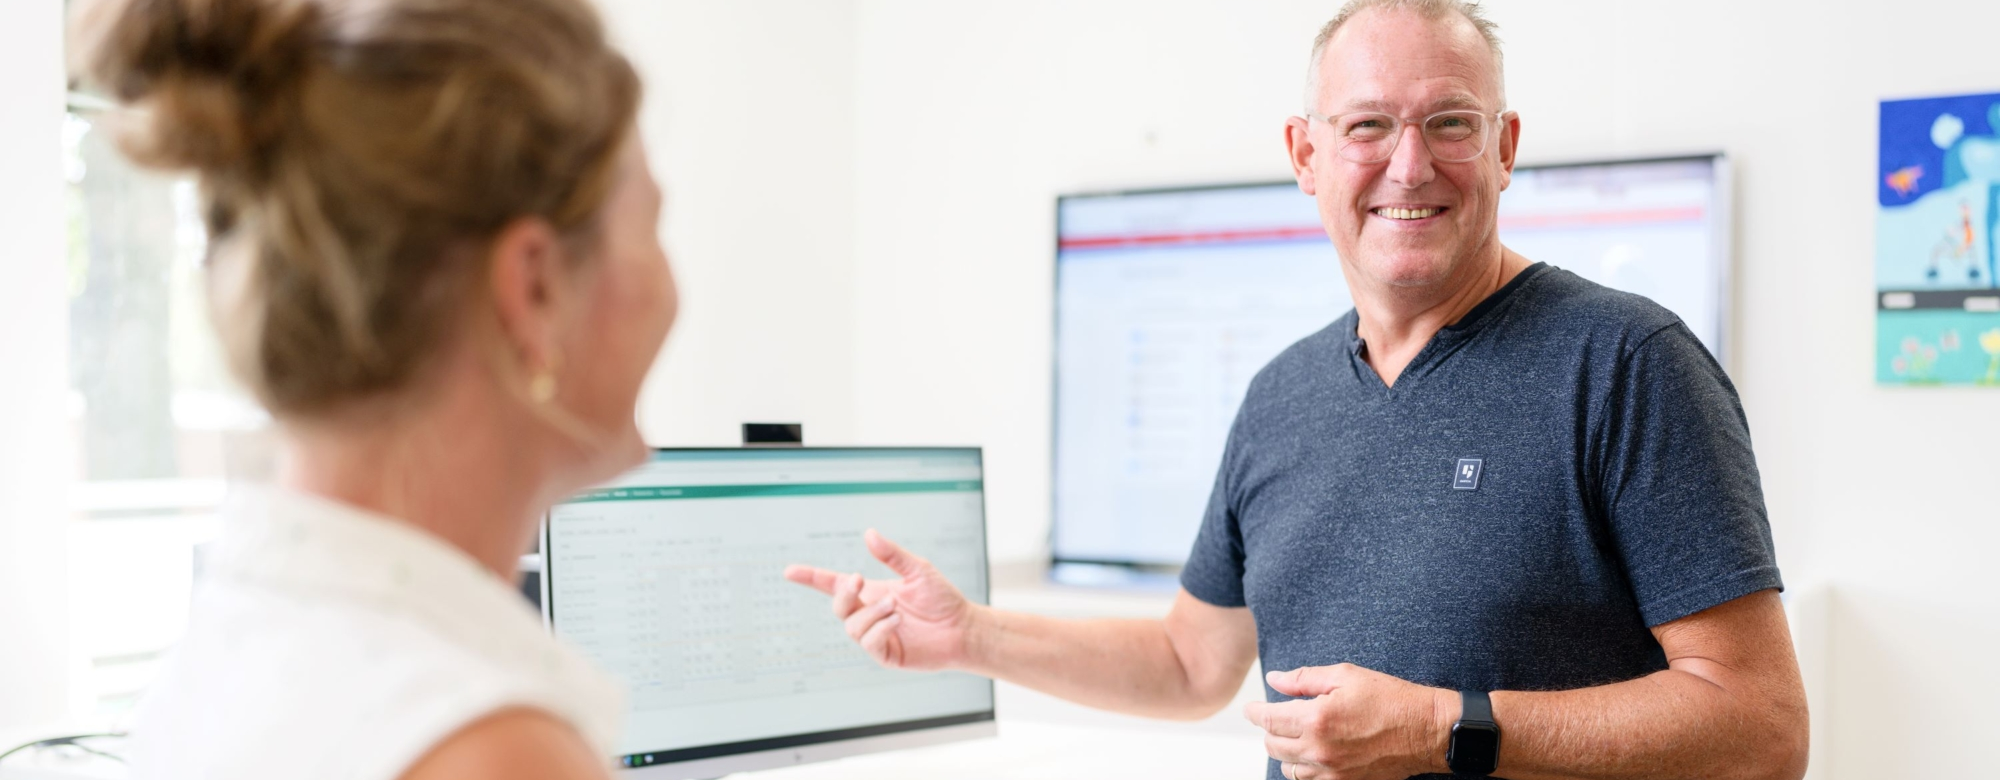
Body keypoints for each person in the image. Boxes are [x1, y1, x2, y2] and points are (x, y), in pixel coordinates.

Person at [785, 2, 1809, 779]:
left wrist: (1444, 728)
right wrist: (972, 636)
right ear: (1304, 155)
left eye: (1449, 124)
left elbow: (1762, 726)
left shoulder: (1626, 363)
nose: (1407, 167)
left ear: (1502, 150)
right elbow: (1191, 664)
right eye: (1366, 125)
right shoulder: (1279, 396)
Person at [68, 0, 676, 778]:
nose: (673, 293)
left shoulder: (220, 656)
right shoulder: (492, 751)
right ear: (534, 288)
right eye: (651, 226)